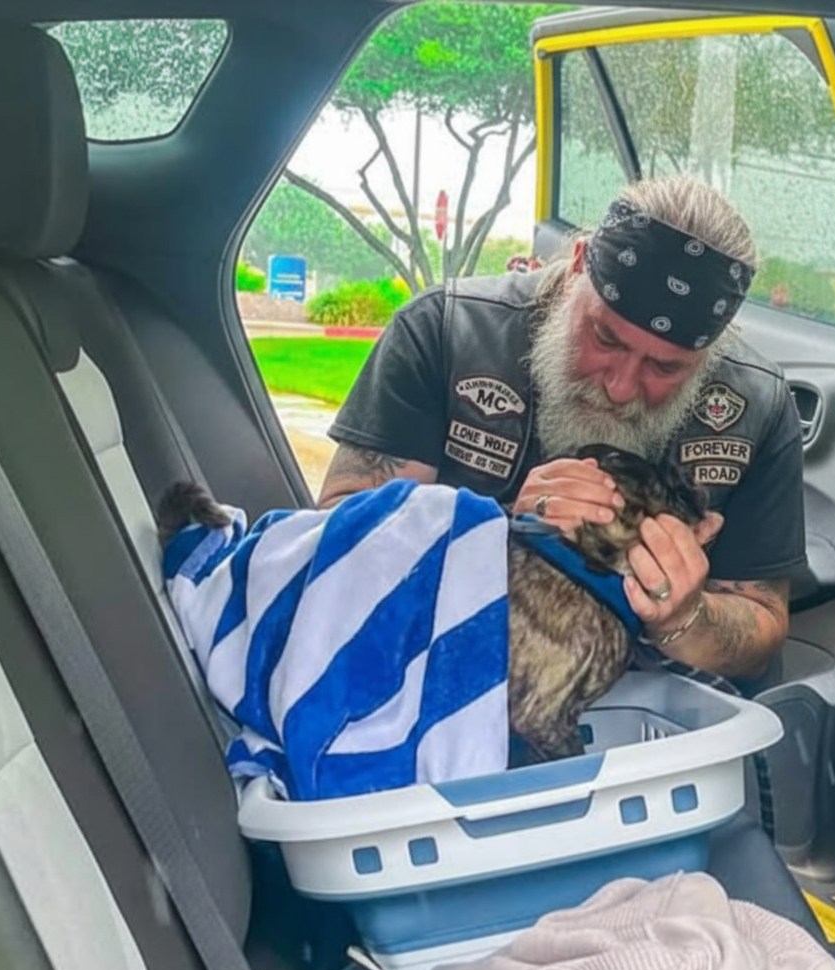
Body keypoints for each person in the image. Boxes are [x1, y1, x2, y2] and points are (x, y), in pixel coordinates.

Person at [319, 175, 805, 680]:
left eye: (665, 368)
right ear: (576, 267)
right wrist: (501, 529)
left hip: (654, 703)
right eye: (605, 339)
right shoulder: (445, 332)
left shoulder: (757, 404)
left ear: (713, 353)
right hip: (441, 671)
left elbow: (763, 622)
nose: (621, 387)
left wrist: (686, 617)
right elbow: (337, 540)